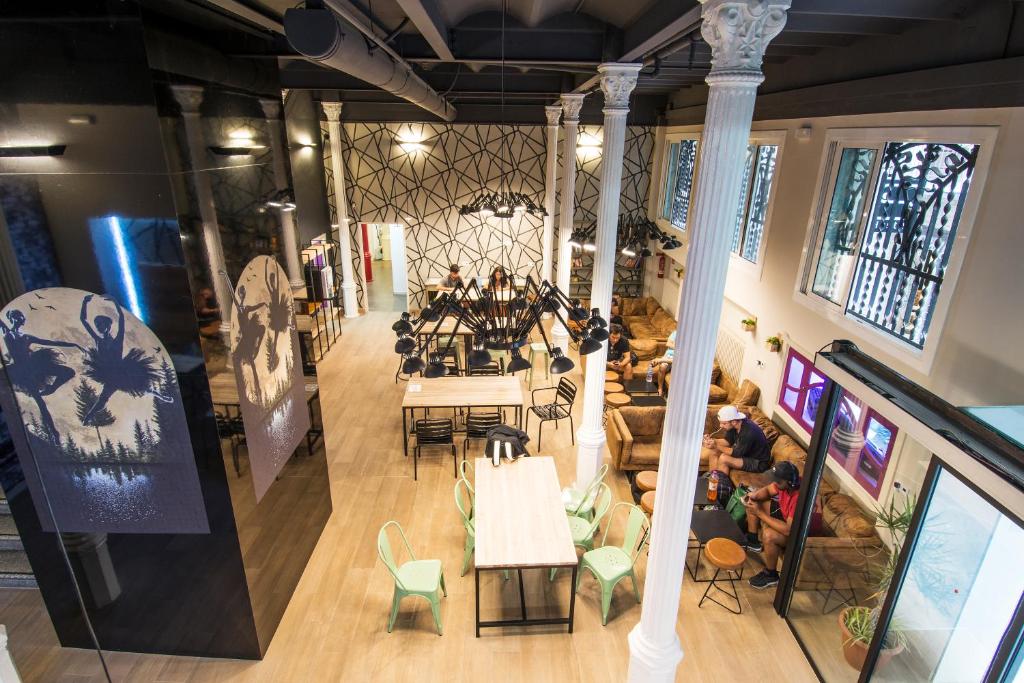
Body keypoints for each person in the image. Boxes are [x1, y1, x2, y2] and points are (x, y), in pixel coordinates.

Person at [743, 461, 801, 589]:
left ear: (788, 482)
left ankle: (771, 575)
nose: (775, 483)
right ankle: (753, 541)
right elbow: (769, 490)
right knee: (753, 502)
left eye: (778, 481)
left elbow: (788, 530)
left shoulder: (798, 498)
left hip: (799, 534)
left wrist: (760, 514)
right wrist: (755, 495)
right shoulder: (785, 484)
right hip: (785, 517)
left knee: (769, 535)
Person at [702, 405, 771, 477]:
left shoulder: (748, 432)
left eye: (724, 423)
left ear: (734, 422)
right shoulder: (734, 426)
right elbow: (727, 442)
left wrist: (716, 445)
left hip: (758, 462)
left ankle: (720, 485)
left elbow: (736, 453)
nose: (721, 426)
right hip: (745, 454)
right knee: (714, 451)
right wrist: (711, 441)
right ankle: (712, 479)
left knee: (724, 458)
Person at [651, 329, 676, 395]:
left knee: (661, 362)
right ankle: (660, 388)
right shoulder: (675, 332)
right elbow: (668, 344)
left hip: (677, 360)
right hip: (668, 356)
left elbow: (678, 359)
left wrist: (660, 360)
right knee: (662, 367)